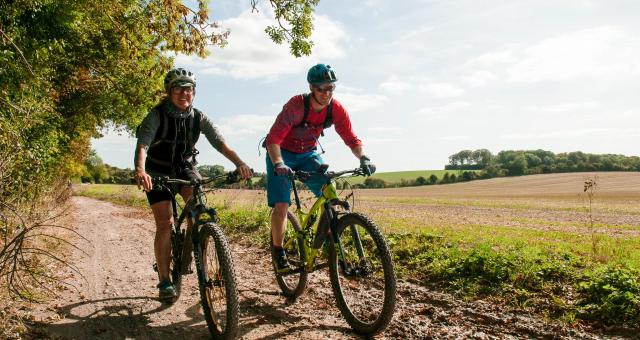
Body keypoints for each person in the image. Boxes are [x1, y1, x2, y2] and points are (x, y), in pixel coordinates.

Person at [134, 68, 252, 301]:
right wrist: (140, 170)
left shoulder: (199, 117)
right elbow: (143, 145)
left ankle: (210, 264)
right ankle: (165, 280)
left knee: (200, 212)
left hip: (185, 168)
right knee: (165, 222)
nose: (183, 93)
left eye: (188, 89)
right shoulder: (156, 115)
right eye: (178, 89)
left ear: (194, 92)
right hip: (157, 171)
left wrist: (240, 163)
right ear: (169, 92)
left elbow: (220, 144)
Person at [264, 64, 376, 271]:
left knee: (330, 194)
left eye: (331, 88)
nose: (326, 94)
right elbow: (273, 139)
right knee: (282, 205)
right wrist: (278, 163)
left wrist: (364, 158)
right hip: (281, 155)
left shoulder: (336, 109)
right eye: (321, 89)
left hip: (308, 154)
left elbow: (351, 138)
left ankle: (327, 240)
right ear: (311, 88)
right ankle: (278, 251)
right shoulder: (296, 106)